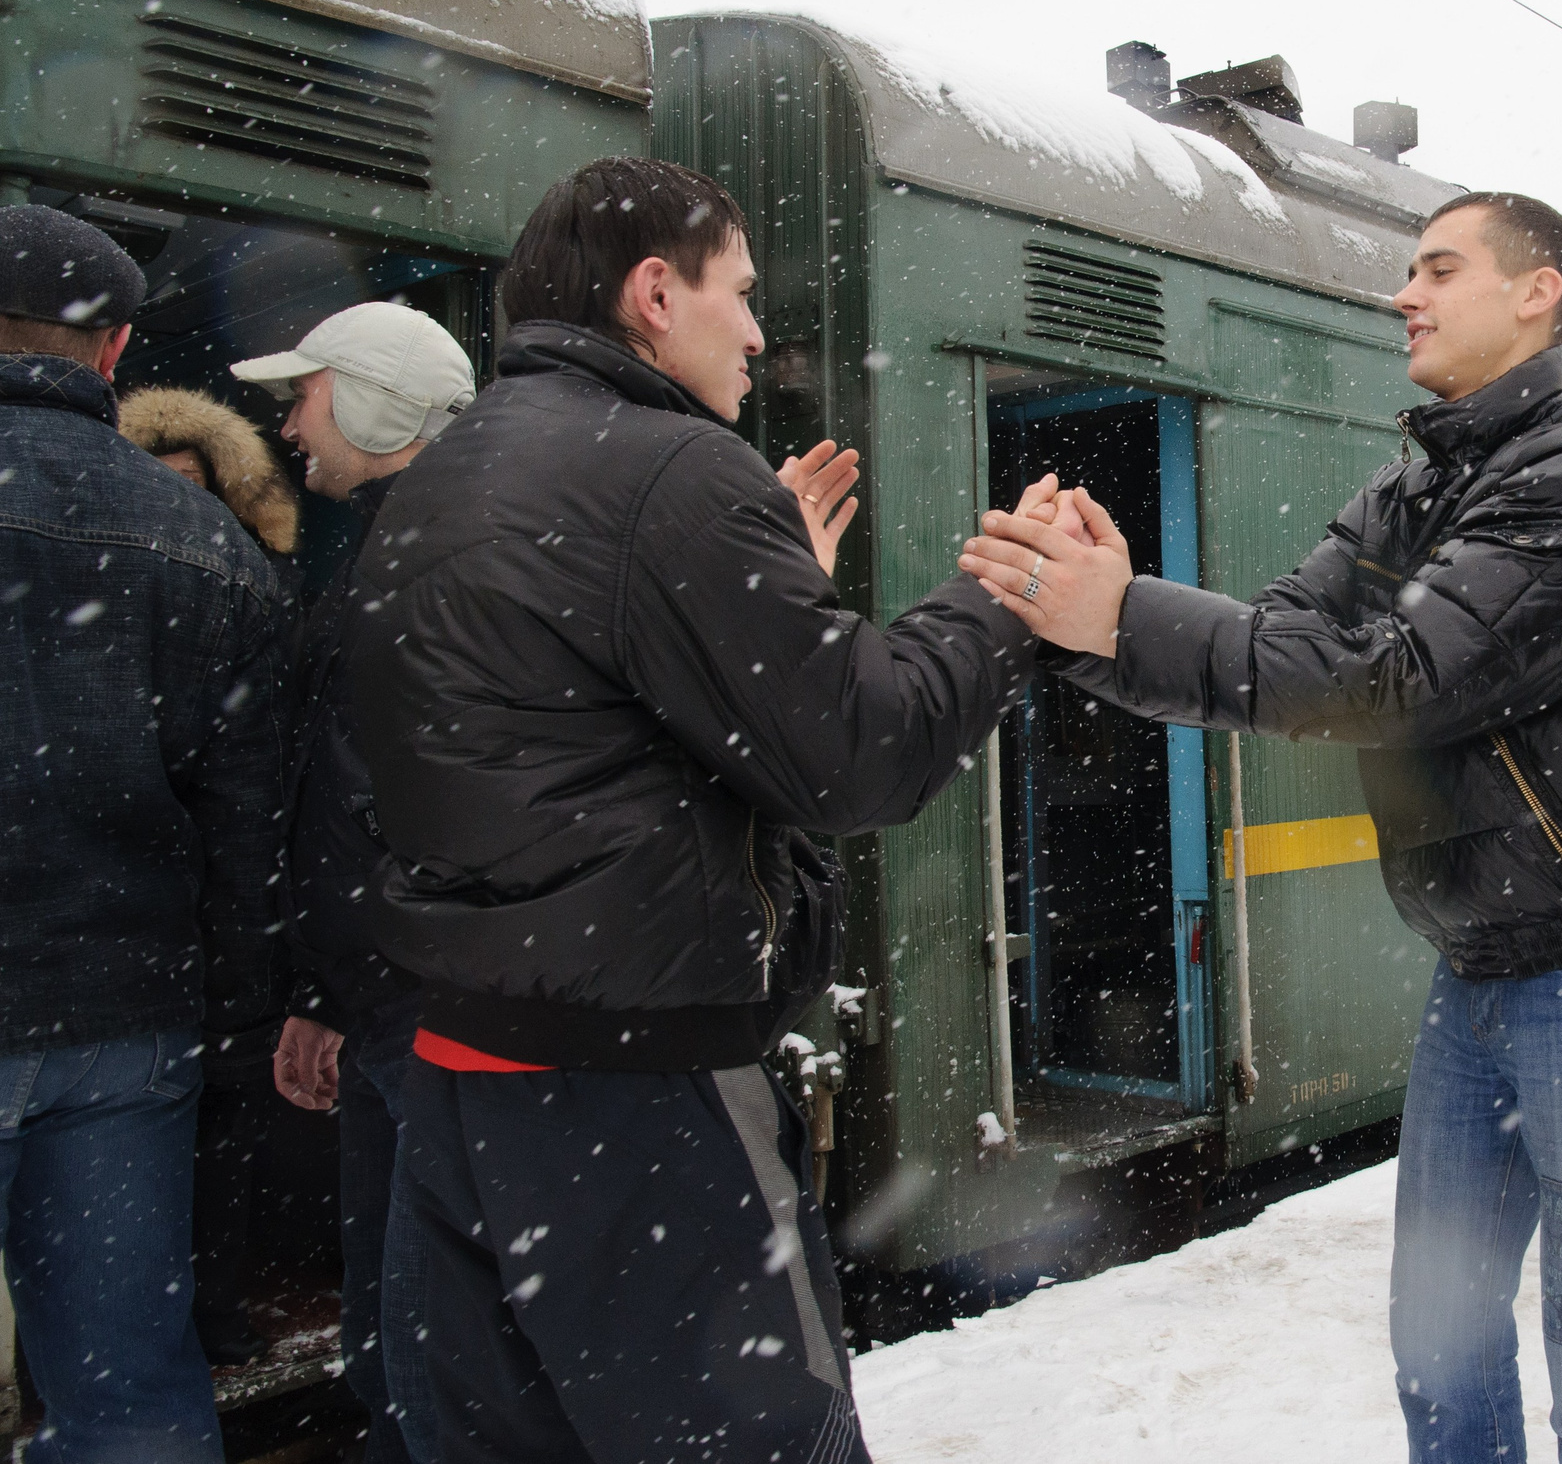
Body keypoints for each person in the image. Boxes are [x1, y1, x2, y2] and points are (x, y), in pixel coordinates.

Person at [963, 191, 1562, 1464]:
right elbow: (1284, 646)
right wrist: (1100, 616)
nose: (1404, 295)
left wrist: (1121, 613)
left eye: (1438, 269)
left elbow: (1393, 677)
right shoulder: (1419, 482)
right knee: (1437, 1346)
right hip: (1474, 974)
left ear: (1538, 292)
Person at [346, 158, 1085, 1463]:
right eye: (738, 294)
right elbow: (859, 755)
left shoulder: (440, 483)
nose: (756, 330)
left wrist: (765, 596)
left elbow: (565, 734)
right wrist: (1006, 593)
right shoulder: (674, 474)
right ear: (651, 292)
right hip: (636, 1104)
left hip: (455, 1088)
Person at [0, 204, 285, 1461]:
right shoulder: (203, 537)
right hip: (127, 1025)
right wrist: (240, 1017)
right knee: (128, 1391)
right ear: (115, 351)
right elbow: (248, 818)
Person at [230, 301, 478, 1462]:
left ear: (380, 400)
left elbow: (380, 803)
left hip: (423, 1010)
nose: (288, 424)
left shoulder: (428, 552)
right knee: (404, 1336)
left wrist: (350, 982)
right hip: (396, 1002)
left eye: (308, 394)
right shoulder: (404, 542)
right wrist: (327, 990)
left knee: (424, 1344)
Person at [114, 384, 304, 1366]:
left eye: (192, 489)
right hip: (142, 924)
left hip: (227, 913)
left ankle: (214, 1315)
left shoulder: (256, 593)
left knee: (223, 1129)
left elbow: (263, 776)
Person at [115, 386, 300, 557]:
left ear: (214, 486)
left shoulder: (254, 569)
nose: (173, 494)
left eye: (188, 480)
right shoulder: (117, 556)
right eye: (158, 479)